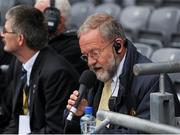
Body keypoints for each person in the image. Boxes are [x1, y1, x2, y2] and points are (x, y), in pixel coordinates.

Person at [65, 13, 180, 134]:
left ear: (118, 46)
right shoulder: (95, 74)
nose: (90, 62)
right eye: (85, 56)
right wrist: (79, 114)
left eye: (95, 53)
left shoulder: (152, 81)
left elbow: (146, 132)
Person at [1, 5, 79, 134]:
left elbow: (55, 130)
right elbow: (16, 120)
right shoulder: (20, 63)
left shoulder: (56, 73)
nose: (2, 34)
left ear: (20, 39)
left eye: (5, 30)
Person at [35, 0, 88, 75]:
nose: (32, 20)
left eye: (37, 15)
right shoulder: (41, 44)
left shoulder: (74, 48)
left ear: (59, 21)